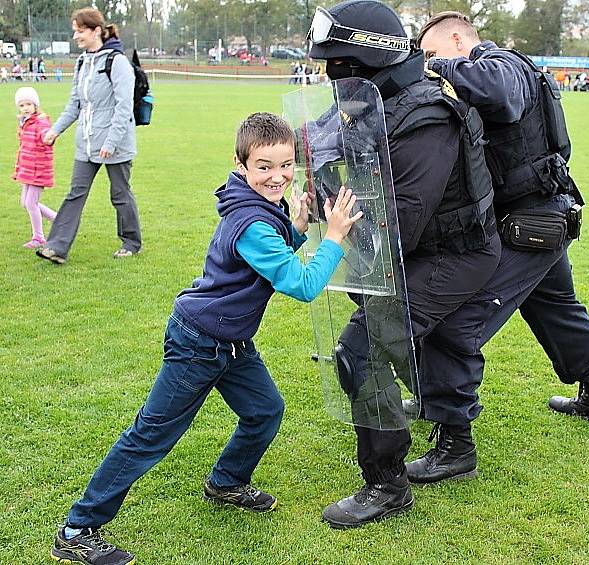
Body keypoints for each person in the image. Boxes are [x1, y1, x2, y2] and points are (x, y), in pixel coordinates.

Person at [50, 112, 363, 565]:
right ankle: (77, 529)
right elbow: (302, 284)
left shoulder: (257, 206)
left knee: (264, 410)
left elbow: (269, 257)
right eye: (264, 166)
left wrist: (295, 229)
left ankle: (227, 481)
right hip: (199, 342)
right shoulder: (251, 220)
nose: (277, 177)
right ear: (241, 165)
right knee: (150, 435)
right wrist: (332, 236)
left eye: (286, 164)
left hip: (232, 343)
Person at [307, 0, 501, 528]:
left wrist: (334, 213)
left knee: (359, 350)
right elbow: (328, 160)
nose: (331, 77)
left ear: (374, 64)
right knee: (422, 341)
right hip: (419, 248)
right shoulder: (374, 105)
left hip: (453, 253)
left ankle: (387, 485)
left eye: (340, 66)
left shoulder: (425, 119)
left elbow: (399, 225)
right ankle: (455, 445)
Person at [410, 12, 589, 484]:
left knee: (456, 322)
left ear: (458, 39)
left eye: (433, 54)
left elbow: (498, 95)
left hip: (531, 222)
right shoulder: (502, 67)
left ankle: (454, 443)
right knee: (557, 309)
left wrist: (434, 69)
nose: (430, 65)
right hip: (542, 217)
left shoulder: (501, 63)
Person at [36, 8, 142, 265]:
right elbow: (75, 104)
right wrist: (55, 130)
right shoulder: (82, 62)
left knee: (120, 194)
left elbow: (123, 107)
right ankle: (56, 247)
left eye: (80, 31)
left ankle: (131, 242)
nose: (76, 36)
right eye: (75, 30)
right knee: (75, 193)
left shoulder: (117, 62)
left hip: (114, 142)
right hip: (86, 142)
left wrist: (110, 142)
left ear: (96, 31)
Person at [13, 86, 57, 248]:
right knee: (25, 202)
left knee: (31, 203)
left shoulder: (41, 122)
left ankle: (38, 237)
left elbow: (47, 137)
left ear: (35, 105)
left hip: (39, 169)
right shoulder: (25, 123)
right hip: (28, 168)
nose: (25, 108)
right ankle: (59, 220)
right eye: (22, 105)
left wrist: (49, 137)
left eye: (28, 104)